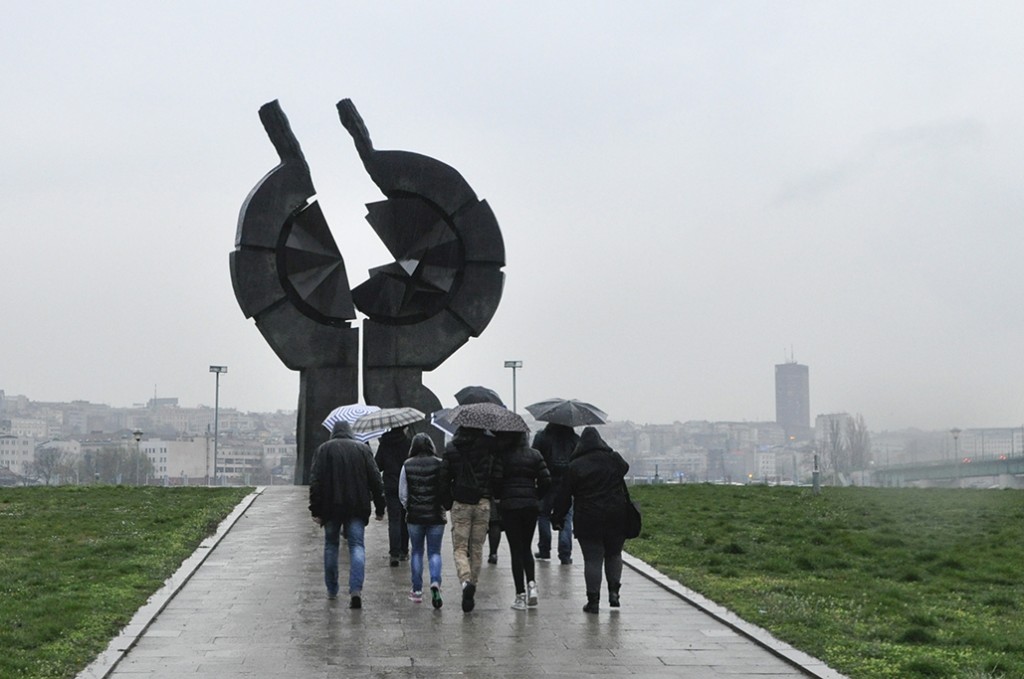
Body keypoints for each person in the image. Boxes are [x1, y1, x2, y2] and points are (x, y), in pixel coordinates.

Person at [309, 420, 387, 609]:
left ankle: (332, 589)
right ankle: (355, 590)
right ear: (350, 432)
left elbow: (315, 481)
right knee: (357, 546)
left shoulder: (323, 450)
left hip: (330, 507)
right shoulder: (363, 449)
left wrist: (316, 509)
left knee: (331, 546)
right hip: (356, 506)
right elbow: (376, 480)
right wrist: (380, 507)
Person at [552, 426, 629, 614]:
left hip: (589, 517)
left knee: (593, 559)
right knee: (614, 554)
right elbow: (624, 468)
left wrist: (557, 517)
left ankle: (593, 601)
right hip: (616, 515)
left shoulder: (575, 466)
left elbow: (564, 495)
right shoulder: (613, 459)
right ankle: (614, 594)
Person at [442, 426, 500, 612]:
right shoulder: (490, 446)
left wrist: (447, 502)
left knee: (460, 547)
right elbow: (496, 474)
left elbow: (444, 477)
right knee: (476, 547)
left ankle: (466, 581)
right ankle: (472, 585)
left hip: (461, 504)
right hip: (483, 503)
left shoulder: (452, 448)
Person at [493, 431, 550, 610]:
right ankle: (532, 586)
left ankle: (520, 595)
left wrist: (500, 497)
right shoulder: (535, 455)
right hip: (530, 507)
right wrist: (536, 496)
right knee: (526, 547)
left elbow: (495, 480)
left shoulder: (503, 455)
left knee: (515, 550)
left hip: (510, 507)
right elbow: (546, 480)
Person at [399, 433, 449, 608]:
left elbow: (402, 493)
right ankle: (435, 583)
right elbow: (444, 488)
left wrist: (409, 507)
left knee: (417, 552)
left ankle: (417, 591)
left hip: (415, 516)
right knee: (435, 552)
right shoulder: (439, 463)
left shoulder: (407, 465)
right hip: (436, 515)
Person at [532, 422, 580, 564]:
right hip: (567, 482)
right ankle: (565, 554)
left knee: (543, 515)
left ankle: (544, 549)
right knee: (566, 516)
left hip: (546, 481)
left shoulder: (542, 437)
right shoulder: (574, 439)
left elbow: (535, 456)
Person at [375, 427, 412, 567]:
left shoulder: (384, 443)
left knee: (394, 520)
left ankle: (394, 554)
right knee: (405, 518)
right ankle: (404, 551)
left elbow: (377, 465)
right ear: (403, 428)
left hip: (390, 486)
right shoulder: (408, 443)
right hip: (406, 485)